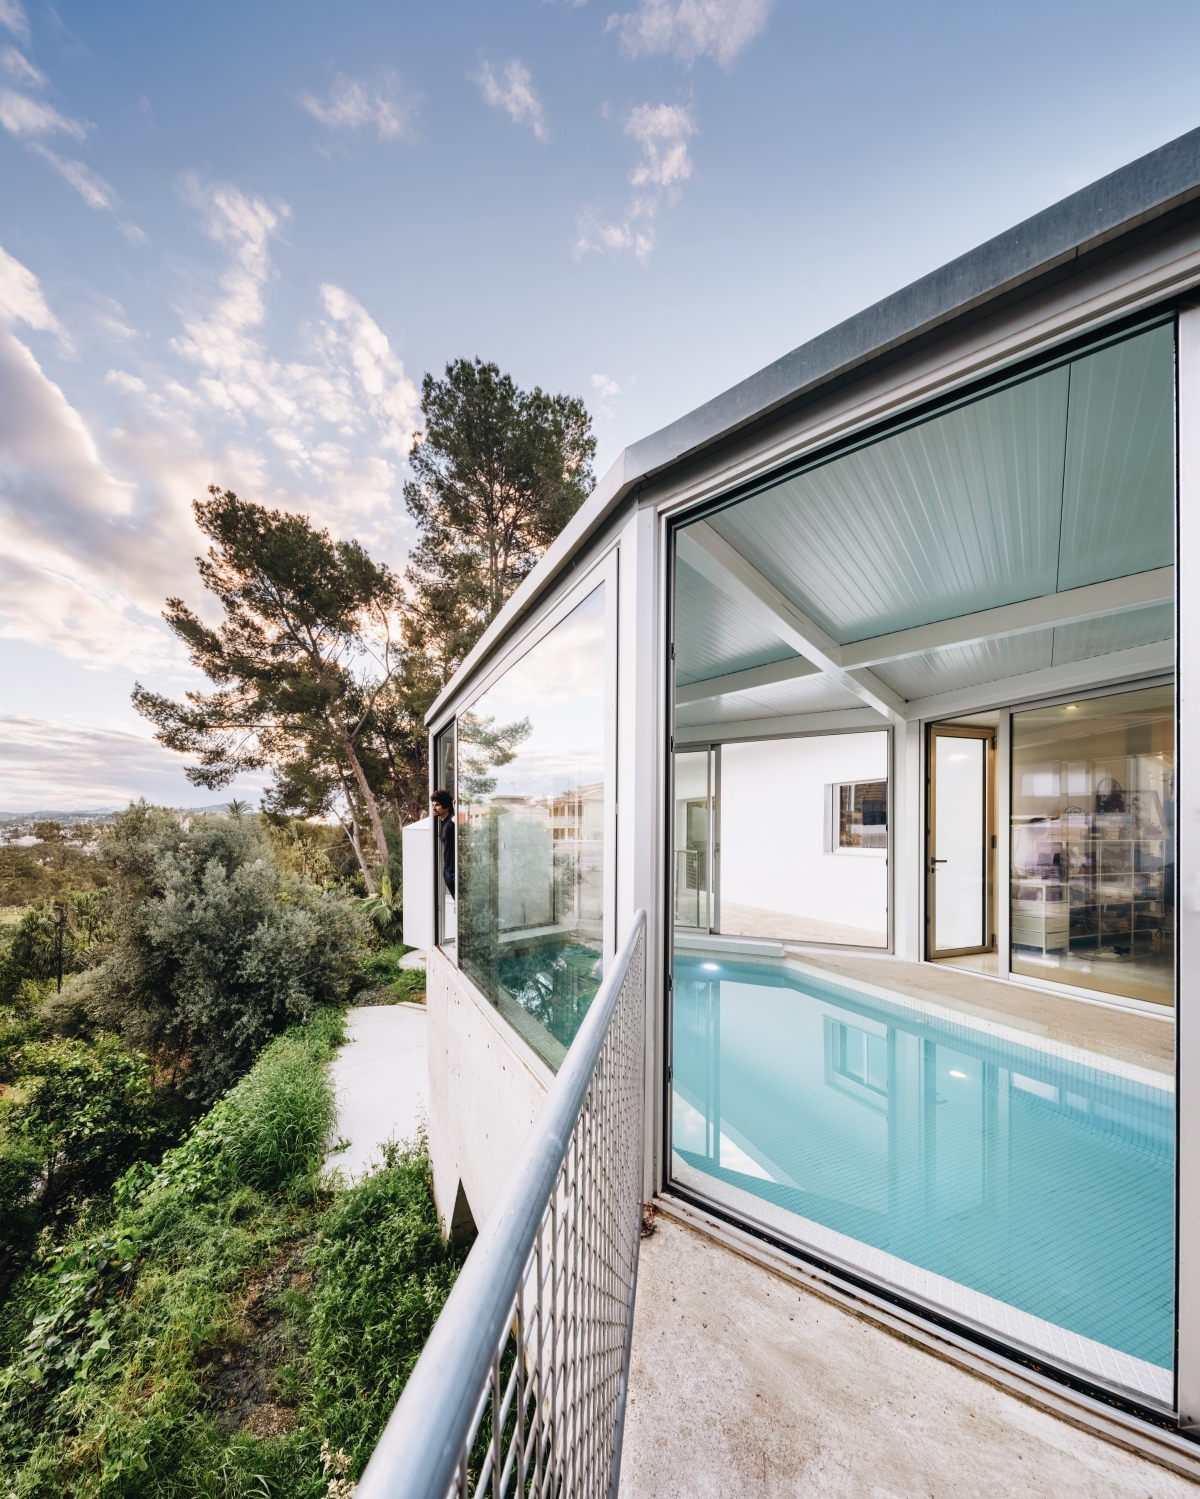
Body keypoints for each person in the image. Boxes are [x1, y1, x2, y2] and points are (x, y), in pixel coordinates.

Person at [431, 789, 455, 898]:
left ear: (446, 806)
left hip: (455, 870)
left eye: (437, 805)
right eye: (433, 805)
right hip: (448, 869)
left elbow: (459, 820)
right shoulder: (442, 822)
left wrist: (456, 810)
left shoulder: (451, 819)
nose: (434, 808)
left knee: (461, 904)